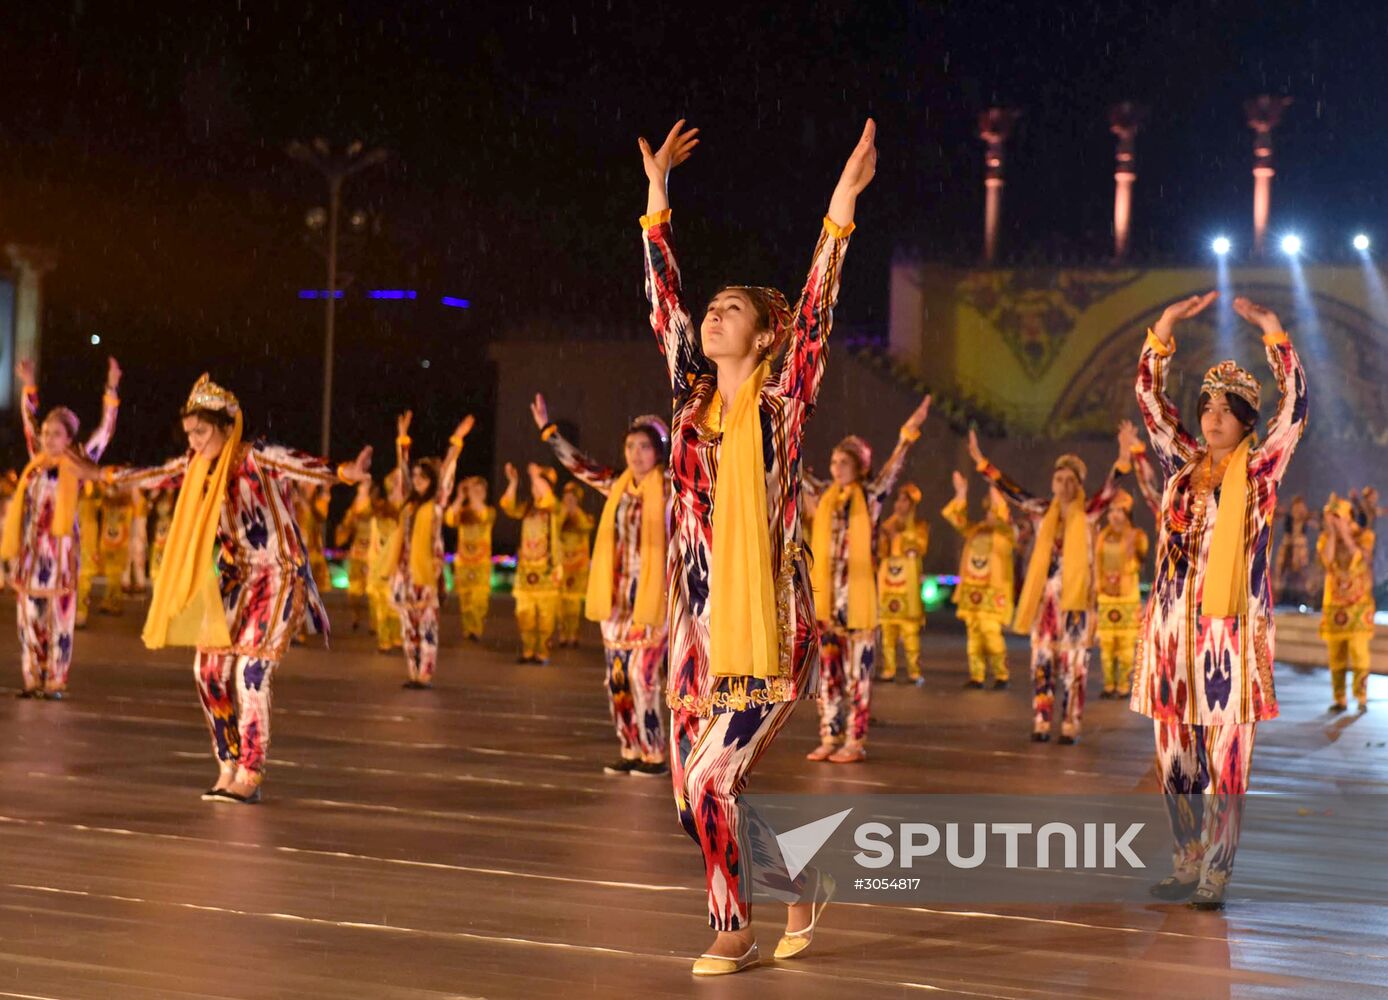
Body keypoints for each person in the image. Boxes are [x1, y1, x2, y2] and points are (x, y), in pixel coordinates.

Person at [640, 116, 875, 973]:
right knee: (693, 799)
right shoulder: (688, 405)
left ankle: (732, 928)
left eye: (730, 310)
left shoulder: (782, 406)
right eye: (712, 308)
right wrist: (658, 200)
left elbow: (817, 308)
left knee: (710, 783)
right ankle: (800, 873)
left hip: (771, 627)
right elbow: (664, 302)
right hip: (695, 633)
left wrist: (840, 206)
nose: (711, 317)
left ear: (765, 336)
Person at [105, 373, 371, 801]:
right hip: (232, 578)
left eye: (202, 432)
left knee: (250, 673)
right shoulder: (197, 466)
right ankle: (227, 761)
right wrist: (99, 474)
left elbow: (304, 464)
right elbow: (153, 474)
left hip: (278, 574)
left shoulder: (257, 456)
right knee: (206, 670)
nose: (193, 442)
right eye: (189, 433)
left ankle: (250, 772)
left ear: (227, 426)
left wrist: (345, 472)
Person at [1132, 292, 1307, 910]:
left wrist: (1274, 333)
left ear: (1244, 419)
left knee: (1226, 760)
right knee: (1176, 757)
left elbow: (1297, 408)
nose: (1210, 417)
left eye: (1224, 409)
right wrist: (1166, 325)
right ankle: (1185, 862)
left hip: (1229, 635)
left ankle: (1217, 872)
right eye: (1205, 406)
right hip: (1172, 636)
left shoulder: (1260, 471)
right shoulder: (1181, 464)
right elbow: (1151, 402)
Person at [534, 393, 671, 776]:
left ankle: (654, 753)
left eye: (644, 447)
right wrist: (549, 433)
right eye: (630, 446)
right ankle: (629, 749)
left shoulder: (674, 491)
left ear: (658, 452)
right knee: (616, 681)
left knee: (643, 678)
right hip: (616, 601)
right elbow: (579, 466)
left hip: (652, 601)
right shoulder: (617, 485)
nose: (636, 454)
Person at [968, 426, 1131, 743]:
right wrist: (981, 461)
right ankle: (1042, 720)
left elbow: (1110, 489)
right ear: (1053, 483)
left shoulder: (1088, 513)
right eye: (1059, 479)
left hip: (1075, 603)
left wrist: (1123, 458)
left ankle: (1070, 724)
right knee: (1042, 663)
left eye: (1071, 480)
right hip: (1045, 604)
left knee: (1074, 667)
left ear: (1080, 484)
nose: (1064, 485)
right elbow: (1012, 490)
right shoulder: (1041, 510)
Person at [802, 393, 931, 763]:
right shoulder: (825, 497)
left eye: (844, 462)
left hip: (858, 605)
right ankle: (830, 735)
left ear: (859, 467)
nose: (836, 466)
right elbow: (791, 467)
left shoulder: (871, 497)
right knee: (828, 677)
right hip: (827, 602)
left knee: (858, 678)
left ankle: (854, 741)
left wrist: (909, 432)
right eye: (834, 461)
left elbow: (892, 469)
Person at [4, 357, 121, 697]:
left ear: (69, 438)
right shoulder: (36, 465)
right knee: (29, 621)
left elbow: (105, 431)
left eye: (56, 434)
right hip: (30, 556)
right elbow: (28, 420)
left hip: (61, 557)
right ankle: (32, 677)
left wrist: (111, 390)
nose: (48, 439)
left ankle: (54, 679)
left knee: (60, 623)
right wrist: (29, 384)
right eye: (45, 434)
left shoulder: (78, 462)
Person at [387, 410, 473, 689]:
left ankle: (425, 673)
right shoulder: (408, 504)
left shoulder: (435, 503)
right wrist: (402, 439)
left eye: (423, 477)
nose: (418, 480)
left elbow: (446, 472)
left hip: (427, 571)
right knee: (407, 625)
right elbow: (401, 469)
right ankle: (412, 671)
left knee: (427, 625)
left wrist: (456, 442)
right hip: (405, 571)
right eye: (416, 477)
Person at [942, 471, 1016, 689]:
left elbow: (1005, 521)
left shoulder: (1006, 534)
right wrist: (961, 493)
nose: (991, 515)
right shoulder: (975, 531)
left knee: (991, 634)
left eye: (995, 510)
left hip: (992, 593)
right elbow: (956, 518)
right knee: (974, 635)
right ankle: (977, 675)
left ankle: (1002, 674)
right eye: (989, 510)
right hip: (972, 591)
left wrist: (997, 493)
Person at [500, 461, 563, 664]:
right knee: (524, 614)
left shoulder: (555, 508)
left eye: (540, 485)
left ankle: (543, 652)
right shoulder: (527, 509)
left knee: (546, 617)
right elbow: (508, 507)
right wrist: (513, 482)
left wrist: (536, 475)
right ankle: (528, 650)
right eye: (534, 485)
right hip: (526, 571)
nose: (535, 488)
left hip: (547, 570)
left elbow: (547, 498)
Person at [1318, 494, 1375, 713]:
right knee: (1336, 654)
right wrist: (1333, 533)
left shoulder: (1365, 536)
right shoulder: (1325, 539)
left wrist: (1344, 532)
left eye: (1337, 517)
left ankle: (1361, 696)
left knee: (1360, 653)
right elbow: (1327, 559)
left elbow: (1360, 558)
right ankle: (1339, 698)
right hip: (1334, 607)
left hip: (1359, 606)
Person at [876, 483, 929, 685]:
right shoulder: (888, 525)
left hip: (908, 584)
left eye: (904, 501)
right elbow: (881, 551)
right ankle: (888, 669)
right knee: (888, 629)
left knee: (909, 631)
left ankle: (914, 671)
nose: (899, 505)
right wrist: (885, 535)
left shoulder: (919, 526)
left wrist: (900, 536)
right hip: (889, 582)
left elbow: (920, 546)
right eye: (898, 500)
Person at [444, 476, 495, 642]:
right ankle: (469, 631)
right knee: (465, 600)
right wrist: (460, 497)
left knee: (479, 600)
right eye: (474, 490)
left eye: (480, 490)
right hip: (464, 563)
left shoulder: (489, 512)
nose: (476, 493)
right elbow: (449, 518)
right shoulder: (463, 513)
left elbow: (483, 515)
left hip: (481, 564)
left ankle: (477, 629)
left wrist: (473, 495)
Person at [556, 481, 595, 647]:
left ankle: (573, 634)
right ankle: (563, 634)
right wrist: (563, 513)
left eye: (572, 498)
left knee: (574, 604)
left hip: (578, 567)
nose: (569, 501)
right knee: (560, 603)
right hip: (562, 566)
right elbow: (553, 528)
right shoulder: (559, 516)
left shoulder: (584, 517)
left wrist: (575, 512)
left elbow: (586, 526)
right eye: (566, 498)